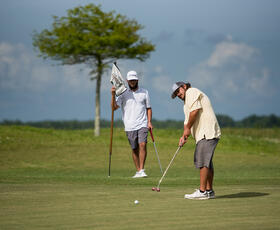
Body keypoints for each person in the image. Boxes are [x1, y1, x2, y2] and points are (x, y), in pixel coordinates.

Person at [171, 81, 221, 199]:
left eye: (178, 91)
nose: (178, 94)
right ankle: (209, 191)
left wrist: (188, 128)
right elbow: (187, 121)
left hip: (206, 132)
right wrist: (184, 136)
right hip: (203, 134)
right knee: (207, 162)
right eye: (175, 94)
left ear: (184, 87)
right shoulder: (186, 104)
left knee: (203, 161)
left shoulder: (191, 91)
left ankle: (202, 191)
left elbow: (195, 111)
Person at [111, 70, 153, 178]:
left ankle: (142, 169)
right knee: (134, 149)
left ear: (137, 80)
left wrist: (149, 122)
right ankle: (138, 170)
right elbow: (114, 107)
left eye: (134, 80)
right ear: (127, 81)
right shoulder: (123, 93)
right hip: (129, 125)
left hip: (142, 123)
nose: (132, 82)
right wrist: (112, 95)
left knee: (142, 144)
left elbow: (148, 108)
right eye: (130, 80)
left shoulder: (145, 92)